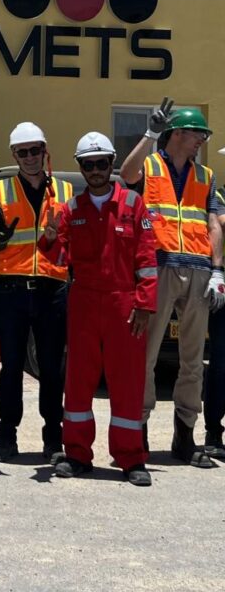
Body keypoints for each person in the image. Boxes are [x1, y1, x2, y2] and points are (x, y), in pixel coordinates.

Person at [40, 132, 157, 486]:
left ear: (112, 163)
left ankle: (130, 458)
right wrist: (48, 238)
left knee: (127, 382)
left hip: (124, 304)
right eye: (88, 165)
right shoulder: (71, 210)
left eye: (101, 163)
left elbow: (146, 259)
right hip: (85, 303)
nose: (95, 170)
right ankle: (77, 454)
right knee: (78, 381)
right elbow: (60, 258)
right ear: (81, 167)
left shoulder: (133, 204)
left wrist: (144, 304)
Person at [120, 100, 225, 467]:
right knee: (145, 356)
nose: (202, 141)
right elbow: (127, 174)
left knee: (193, 360)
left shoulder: (205, 175)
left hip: (198, 270)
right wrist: (149, 133)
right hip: (158, 267)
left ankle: (185, 437)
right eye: (198, 135)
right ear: (178, 133)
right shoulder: (150, 165)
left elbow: (213, 224)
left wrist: (218, 271)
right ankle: (139, 433)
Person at [0, 122, 72, 464]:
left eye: (36, 150)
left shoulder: (64, 191)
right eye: (23, 152)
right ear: (14, 155)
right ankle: (7, 437)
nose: (30, 157)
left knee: (52, 368)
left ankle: (53, 439)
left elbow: (74, 239)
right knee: (11, 367)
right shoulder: (0, 190)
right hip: (11, 290)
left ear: (44, 151)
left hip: (52, 289)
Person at [204, 178, 225, 458]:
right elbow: (220, 222)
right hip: (223, 285)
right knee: (221, 363)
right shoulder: (220, 195)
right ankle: (213, 432)